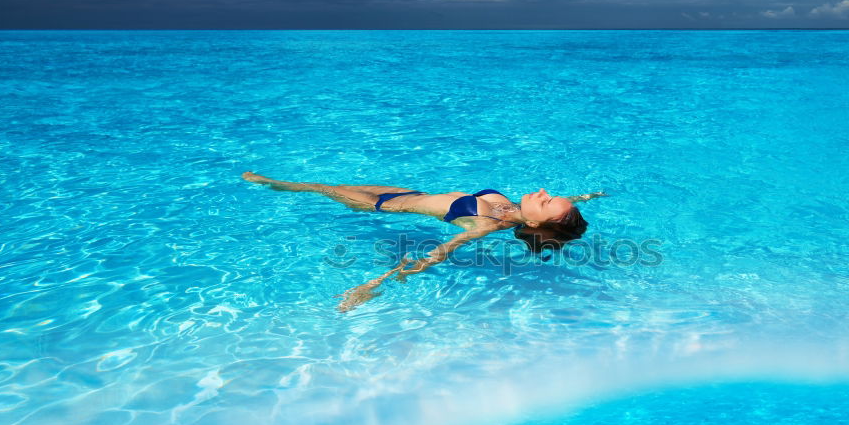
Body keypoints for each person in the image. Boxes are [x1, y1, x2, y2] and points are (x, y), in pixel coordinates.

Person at [241, 172, 607, 311]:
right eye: (550, 194)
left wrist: (373, 285)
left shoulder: (484, 225)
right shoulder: (517, 210)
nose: (542, 191)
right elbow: (556, 215)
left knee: (321, 187)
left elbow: (433, 256)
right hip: (408, 193)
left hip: (382, 208)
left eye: (545, 201)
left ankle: (268, 182)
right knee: (334, 182)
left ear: (532, 221)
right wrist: (588, 198)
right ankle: (274, 180)